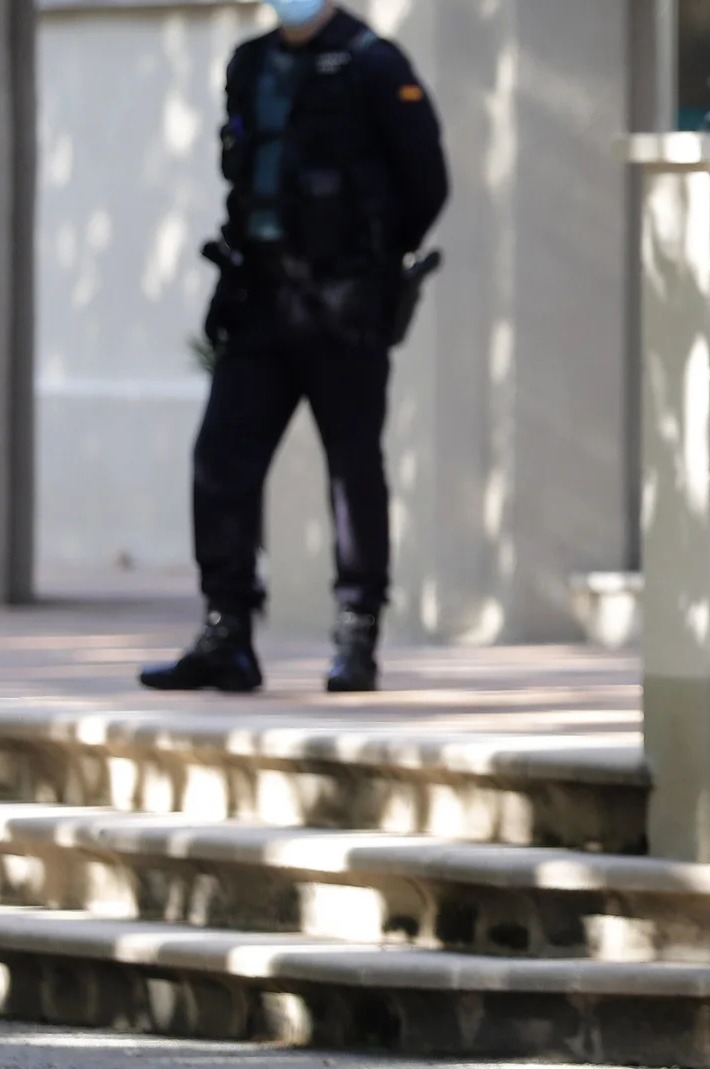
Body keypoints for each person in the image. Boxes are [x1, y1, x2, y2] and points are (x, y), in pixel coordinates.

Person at [140, 0, 449, 695]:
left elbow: (427, 183)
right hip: (260, 304)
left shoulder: (375, 64)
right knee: (220, 459)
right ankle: (227, 633)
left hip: (344, 306)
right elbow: (244, 180)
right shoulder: (251, 65)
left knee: (352, 467)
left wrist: (366, 261)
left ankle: (356, 636)